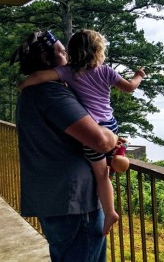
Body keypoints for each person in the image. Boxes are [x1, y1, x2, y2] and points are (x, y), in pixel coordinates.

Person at [18, 29, 146, 236]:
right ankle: (112, 194)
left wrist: (23, 84)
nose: (65, 56)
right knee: (105, 171)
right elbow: (129, 89)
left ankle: (110, 208)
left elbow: (39, 76)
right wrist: (138, 75)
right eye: (61, 52)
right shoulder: (102, 73)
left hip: (64, 185)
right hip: (106, 132)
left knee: (101, 174)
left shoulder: (67, 73)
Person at [11, 30, 119, 262]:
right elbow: (100, 141)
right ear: (48, 61)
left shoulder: (34, 91)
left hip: (55, 198)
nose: (68, 56)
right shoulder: (52, 94)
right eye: (61, 52)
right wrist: (111, 135)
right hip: (73, 203)